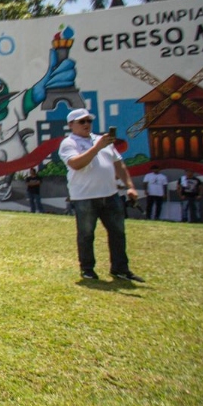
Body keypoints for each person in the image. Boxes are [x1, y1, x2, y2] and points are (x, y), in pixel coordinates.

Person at [58, 109, 144, 282]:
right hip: (84, 197)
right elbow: (76, 164)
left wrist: (130, 187)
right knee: (86, 234)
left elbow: (119, 164)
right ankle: (87, 269)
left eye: (89, 121)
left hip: (110, 194)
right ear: (70, 125)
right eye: (81, 121)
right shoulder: (69, 143)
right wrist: (97, 148)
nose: (86, 124)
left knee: (118, 233)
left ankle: (120, 269)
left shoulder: (103, 141)